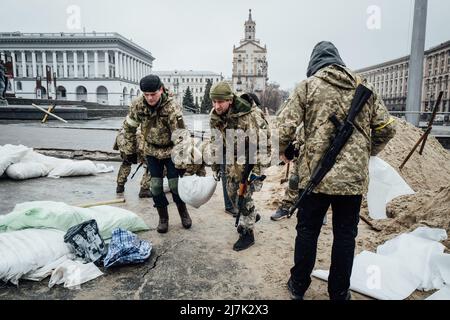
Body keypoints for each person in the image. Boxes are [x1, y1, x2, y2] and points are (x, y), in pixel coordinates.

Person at [277, 41, 396, 300]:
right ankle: (339, 292)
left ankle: (298, 286)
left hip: (315, 179)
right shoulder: (365, 87)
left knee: (307, 231)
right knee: (345, 236)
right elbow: (387, 128)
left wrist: (285, 150)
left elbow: (284, 128)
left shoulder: (307, 87)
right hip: (352, 181)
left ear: (314, 64)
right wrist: (367, 151)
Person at [121, 74, 192, 234]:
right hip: (151, 150)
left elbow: (181, 135)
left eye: (153, 94)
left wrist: (181, 163)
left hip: (170, 150)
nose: (150, 98)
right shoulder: (138, 105)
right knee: (155, 186)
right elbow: (129, 127)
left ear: (161, 90)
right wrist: (130, 151)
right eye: (146, 94)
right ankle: (163, 218)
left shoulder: (171, 107)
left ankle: (183, 213)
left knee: (175, 185)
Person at [208, 82, 270, 251]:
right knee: (232, 194)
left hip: (249, 160)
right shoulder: (216, 116)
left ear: (230, 99)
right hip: (230, 160)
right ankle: (249, 215)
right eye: (214, 101)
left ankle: (248, 233)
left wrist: (257, 171)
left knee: (244, 195)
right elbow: (215, 141)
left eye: (220, 102)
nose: (216, 105)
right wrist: (215, 164)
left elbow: (265, 143)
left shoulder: (249, 115)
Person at [113, 124, 152, 198]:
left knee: (126, 162)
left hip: (122, 138)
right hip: (137, 139)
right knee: (150, 164)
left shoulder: (134, 116)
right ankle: (144, 189)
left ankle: (120, 186)